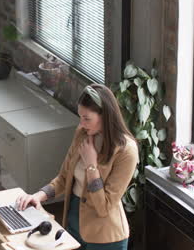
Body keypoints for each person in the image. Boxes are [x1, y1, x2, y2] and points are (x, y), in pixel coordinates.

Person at [16, 84, 138, 250]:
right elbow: (64, 178)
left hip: (105, 237)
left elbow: (104, 207)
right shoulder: (82, 134)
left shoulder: (126, 150)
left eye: (87, 118)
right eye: (80, 116)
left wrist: (91, 166)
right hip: (73, 222)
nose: (81, 123)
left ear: (106, 116)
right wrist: (39, 196)